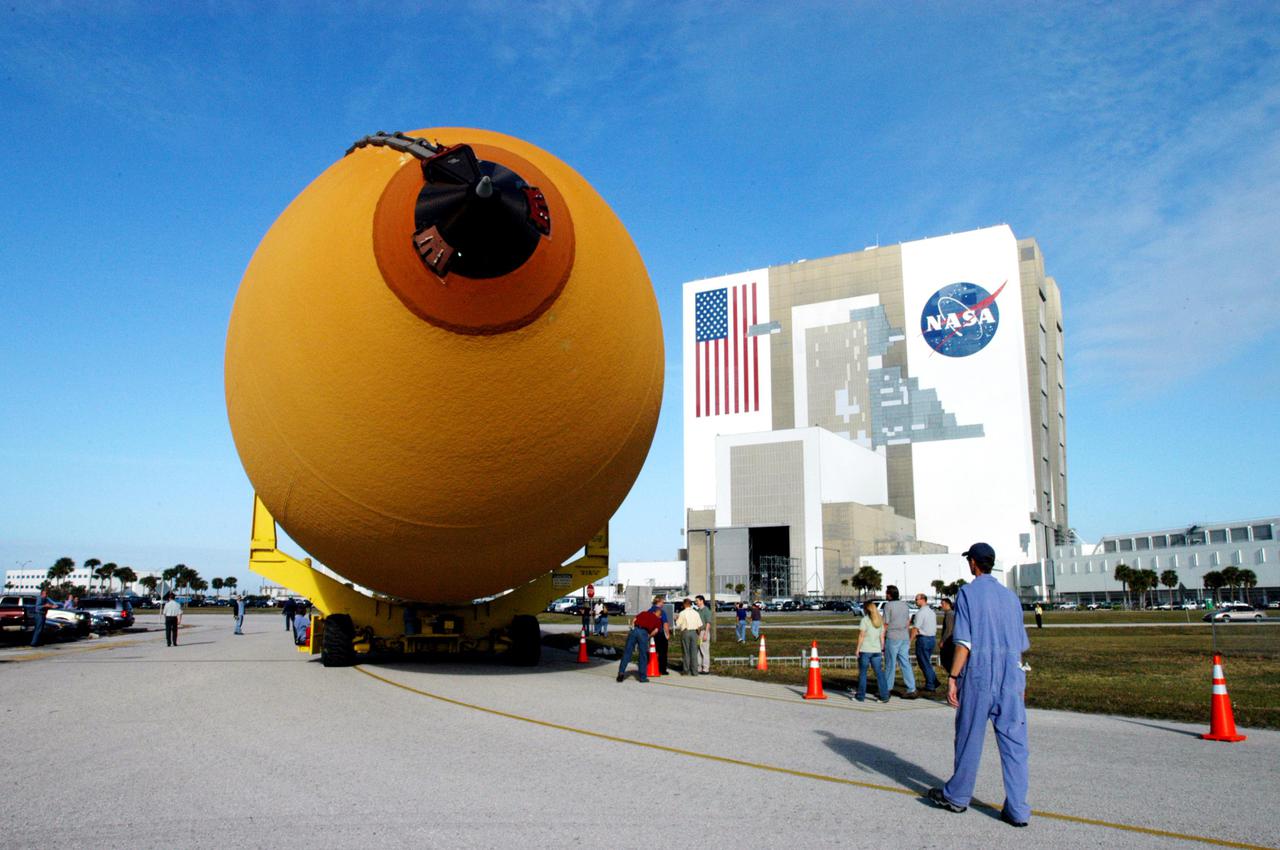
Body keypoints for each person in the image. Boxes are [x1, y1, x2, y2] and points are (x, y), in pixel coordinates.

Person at [928, 542, 1031, 828]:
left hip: (979, 674)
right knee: (1015, 743)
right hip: (1011, 673)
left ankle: (958, 796)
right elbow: (1019, 644)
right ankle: (1018, 809)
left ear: (973, 563)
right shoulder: (1010, 598)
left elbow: (964, 643)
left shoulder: (968, 593)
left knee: (969, 736)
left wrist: (953, 677)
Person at [881, 586, 918, 699]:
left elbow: (885, 623)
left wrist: (881, 637)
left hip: (893, 637)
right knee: (905, 662)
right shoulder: (904, 605)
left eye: (887, 593)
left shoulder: (888, 606)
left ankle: (887, 689)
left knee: (890, 664)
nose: (886, 595)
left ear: (890, 595)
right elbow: (907, 622)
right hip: (904, 636)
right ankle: (911, 688)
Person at [854, 600, 889, 702]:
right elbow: (882, 637)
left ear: (866, 610)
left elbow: (861, 635)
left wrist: (857, 649)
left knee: (863, 674)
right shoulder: (879, 621)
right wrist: (882, 649)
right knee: (879, 673)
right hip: (877, 650)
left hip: (865, 650)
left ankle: (860, 696)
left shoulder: (865, 620)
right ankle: (884, 696)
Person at [617, 606, 662, 682]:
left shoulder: (644, 613)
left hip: (635, 630)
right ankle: (642, 677)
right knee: (643, 655)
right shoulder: (658, 620)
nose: (660, 616)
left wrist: (632, 628)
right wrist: (648, 636)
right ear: (658, 614)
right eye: (660, 615)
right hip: (644, 633)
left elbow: (634, 620)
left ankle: (621, 673)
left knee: (627, 652)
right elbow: (656, 631)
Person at [912, 593, 940, 692]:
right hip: (932, 639)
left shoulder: (920, 613)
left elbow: (915, 628)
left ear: (923, 600)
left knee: (923, 663)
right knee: (926, 662)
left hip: (923, 639)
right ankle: (934, 681)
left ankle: (930, 685)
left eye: (917, 599)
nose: (915, 601)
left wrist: (910, 640)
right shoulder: (932, 612)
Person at [674, 598, 703, 675]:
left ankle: (686, 670)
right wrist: (698, 635)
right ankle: (695, 671)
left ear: (684, 604)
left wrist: (676, 619)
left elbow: (678, 624)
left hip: (686, 632)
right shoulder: (696, 613)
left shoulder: (682, 613)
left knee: (686, 652)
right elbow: (699, 626)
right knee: (694, 652)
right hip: (695, 632)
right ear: (690, 604)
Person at [647, 595, 671, 675]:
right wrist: (667, 634)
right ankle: (662, 669)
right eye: (662, 602)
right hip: (660, 634)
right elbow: (665, 623)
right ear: (659, 602)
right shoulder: (661, 611)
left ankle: (651, 666)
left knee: (652, 651)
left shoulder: (649, 611)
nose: (663, 604)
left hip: (651, 634)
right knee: (663, 652)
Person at [694, 595, 712, 673]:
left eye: (697, 601)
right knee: (699, 650)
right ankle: (699, 667)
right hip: (698, 633)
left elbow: (708, 623)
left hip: (704, 632)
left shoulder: (706, 610)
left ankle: (705, 668)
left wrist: (706, 634)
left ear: (702, 601)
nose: (696, 602)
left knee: (704, 651)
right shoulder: (698, 611)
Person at [939, 598, 957, 672]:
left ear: (947, 604)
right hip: (952, 640)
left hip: (948, 641)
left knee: (946, 660)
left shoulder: (949, 614)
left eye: (942, 604)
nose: (941, 605)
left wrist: (942, 641)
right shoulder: (952, 613)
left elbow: (948, 629)